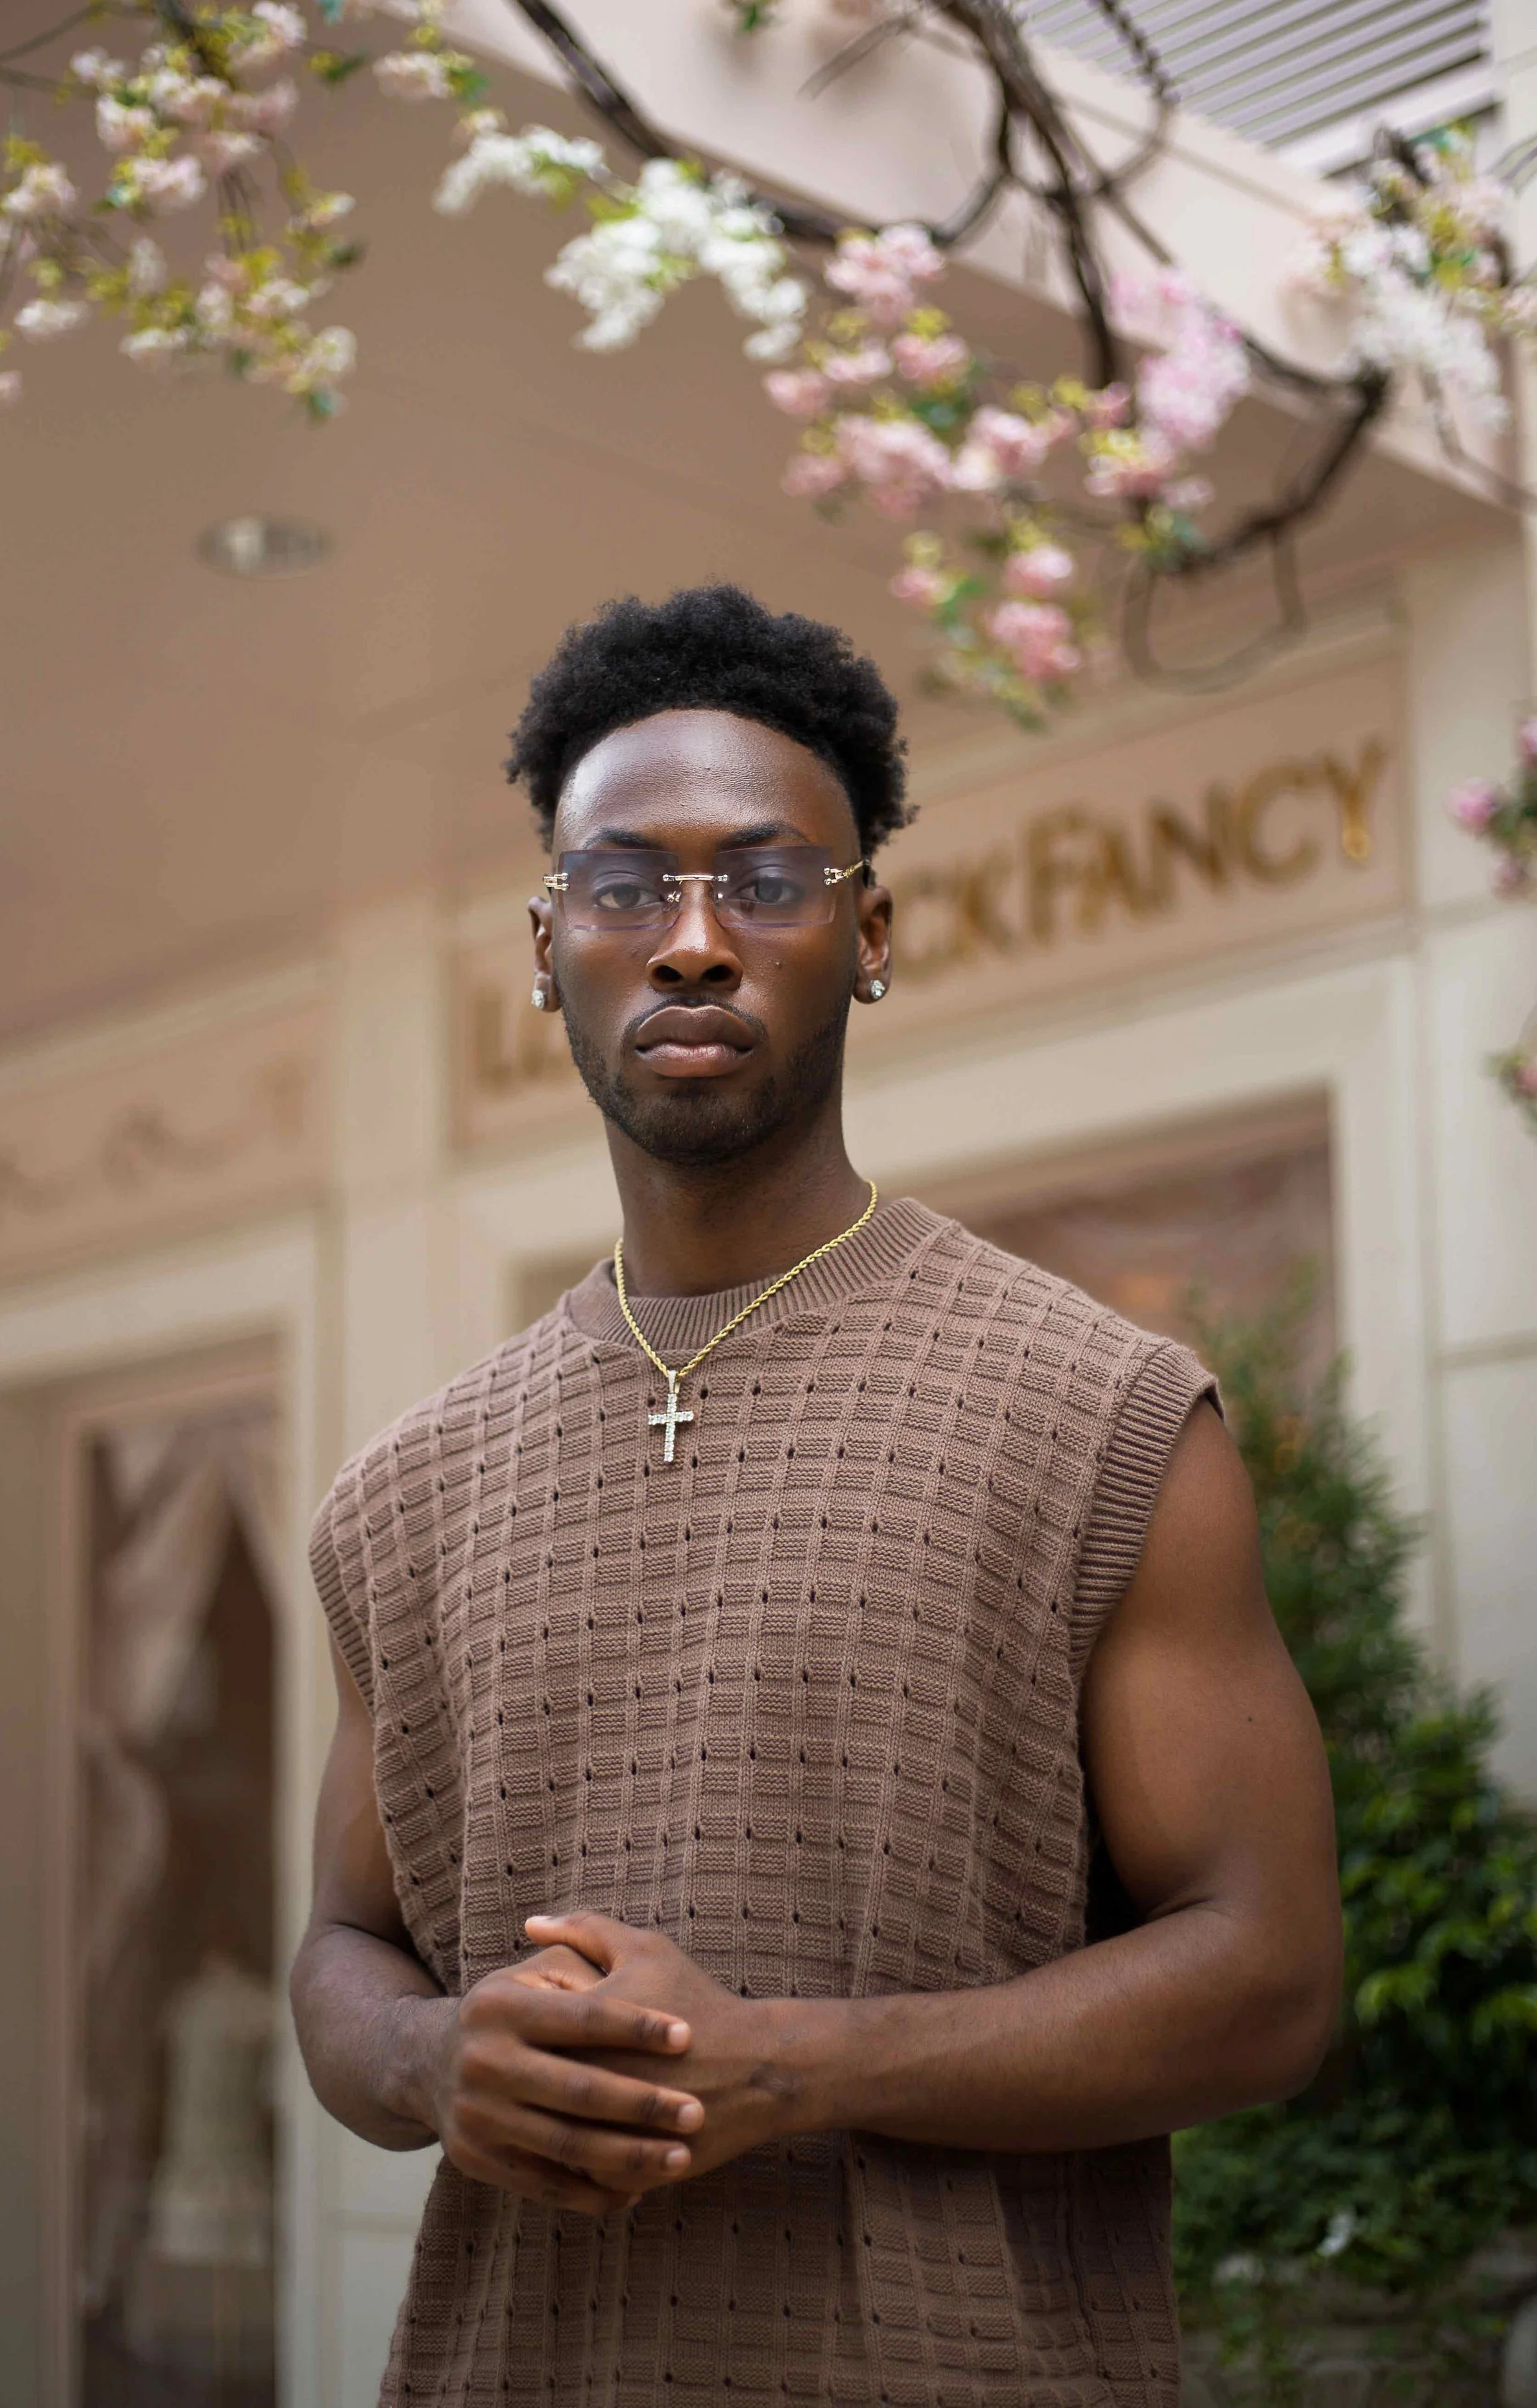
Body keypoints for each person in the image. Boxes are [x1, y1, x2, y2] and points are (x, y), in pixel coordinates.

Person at [290, 584, 1343, 2407]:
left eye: (767, 882)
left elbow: (1269, 1977)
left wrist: (790, 2066)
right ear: (547, 946)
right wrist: (425, 2058)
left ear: (868, 936)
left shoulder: (1101, 1416)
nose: (693, 941)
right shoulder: (404, 1492)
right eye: (626, 887)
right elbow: (340, 1947)